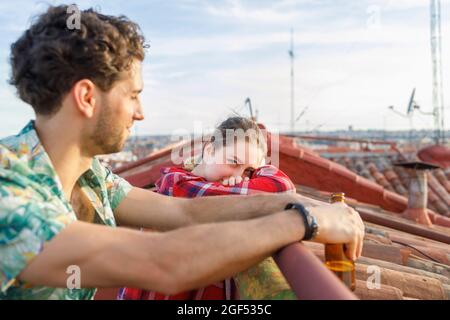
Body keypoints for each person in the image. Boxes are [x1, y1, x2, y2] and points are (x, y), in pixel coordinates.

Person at [0, 5, 365, 300]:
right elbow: (163, 262)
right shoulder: (9, 193)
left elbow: (185, 211)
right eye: (133, 95)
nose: (140, 113)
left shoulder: (90, 176)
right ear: (86, 97)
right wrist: (304, 222)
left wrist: (302, 204)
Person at [119, 116, 297, 300]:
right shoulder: (177, 185)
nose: (237, 176)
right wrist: (252, 174)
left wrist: (253, 170)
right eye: (233, 162)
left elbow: (283, 186)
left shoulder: (229, 192)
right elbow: (284, 188)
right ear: (210, 151)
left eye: (248, 171)